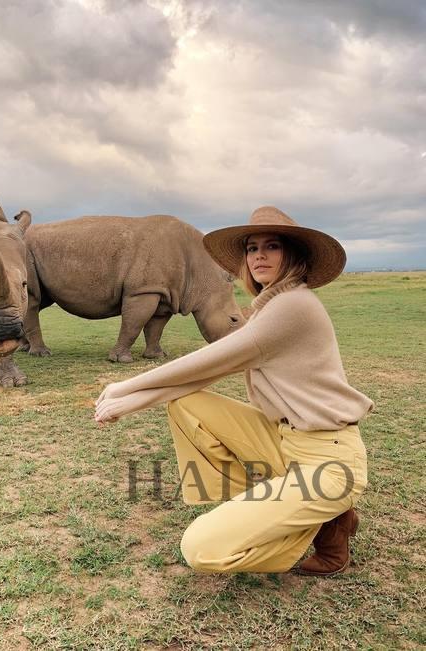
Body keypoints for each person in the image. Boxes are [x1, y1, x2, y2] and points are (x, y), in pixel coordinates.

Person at [94, 206, 374, 577]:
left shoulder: (293, 307)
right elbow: (199, 379)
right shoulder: (271, 305)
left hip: (329, 461)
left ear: (292, 255)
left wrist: (123, 387)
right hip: (286, 441)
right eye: (251, 247)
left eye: (272, 246)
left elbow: (210, 362)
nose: (258, 255)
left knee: (201, 548)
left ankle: (308, 524)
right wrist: (128, 401)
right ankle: (298, 508)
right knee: (188, 403)